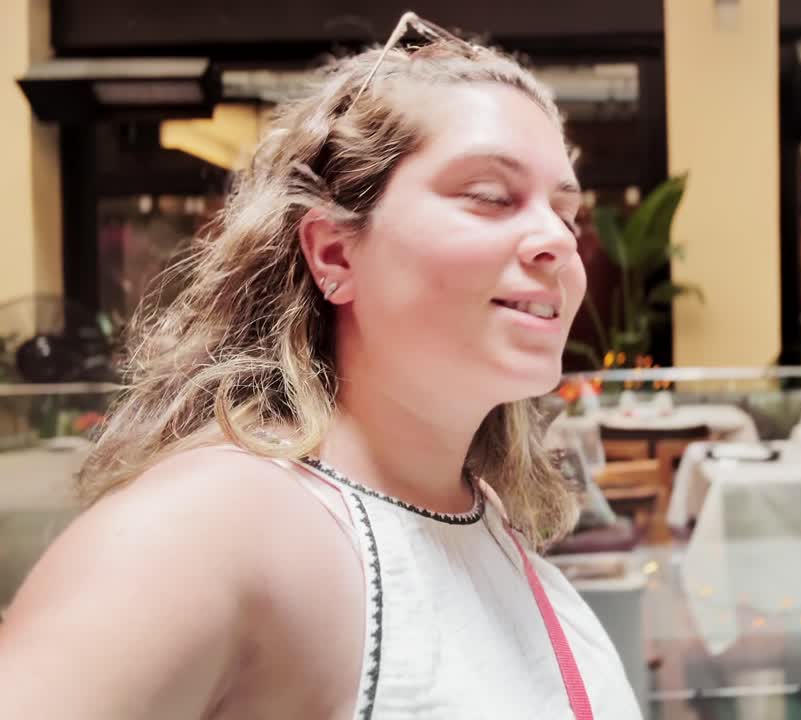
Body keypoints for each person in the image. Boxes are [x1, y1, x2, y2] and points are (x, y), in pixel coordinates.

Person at [0, 13, 641, 720]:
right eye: (490, 197)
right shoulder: (217, 525)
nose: (558, 239)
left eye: (566, 212)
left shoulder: (482, 516)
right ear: (334, 254)